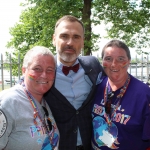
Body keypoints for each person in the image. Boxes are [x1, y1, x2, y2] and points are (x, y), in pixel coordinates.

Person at [44, 15, 103, 150]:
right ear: (54, 39)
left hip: (91, 145)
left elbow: (117, 83)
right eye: (64, 36)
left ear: (82, 42)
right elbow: (23, 92)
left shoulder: (93, 65)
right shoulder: (43, 71)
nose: (70, 42)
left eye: (76, 37)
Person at [91, 40, 150, 150]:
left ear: (129, 62)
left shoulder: (144, 94)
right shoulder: (97, 86)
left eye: (121, 59)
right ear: (102, 62)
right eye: (108, 59)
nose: (114, 64)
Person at [0, 46, 59, 150]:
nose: (44, 75)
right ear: (24, 70)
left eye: (50, 70)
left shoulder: (45, 101)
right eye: (37, 69)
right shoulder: (9, 102)